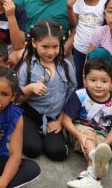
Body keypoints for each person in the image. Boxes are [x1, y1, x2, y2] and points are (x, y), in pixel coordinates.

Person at [62, 58, 112, 188]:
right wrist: (79, 135)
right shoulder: (80, 95)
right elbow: (66, 121)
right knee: (89, 134)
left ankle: (91, 176)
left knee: (100, 144)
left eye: (104, 81)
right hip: (79, 129)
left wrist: (105, 145)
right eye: (93, 80)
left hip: (103, 134)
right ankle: (95, 159)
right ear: (85, 80)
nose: (98, 85)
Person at [18, 20, 75, 161]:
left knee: (58, 152)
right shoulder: (28, 66)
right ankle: (21, 131)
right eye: (45, 47)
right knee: (33, 149)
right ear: (34, 43)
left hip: (53, 118)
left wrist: (60, 121)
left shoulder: (66, 66)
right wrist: (30, 88)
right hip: (30, 115)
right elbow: (16, 99)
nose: (50, 52)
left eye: (55, 46)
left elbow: (71, 96)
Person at [67, 0, 110, 86]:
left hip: (96, 52)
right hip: (79, 49)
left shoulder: (104, 5)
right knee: (79, 78)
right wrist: (70, 7)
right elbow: (73, 23)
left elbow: (106, 28)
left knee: (93, 78)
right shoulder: (78, 1)